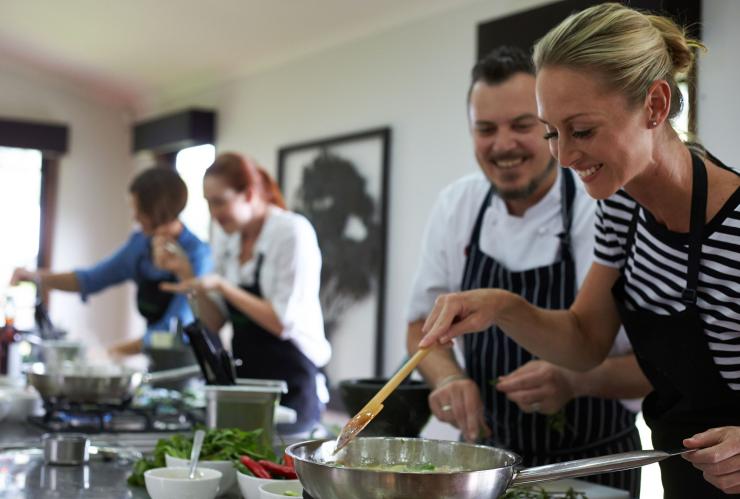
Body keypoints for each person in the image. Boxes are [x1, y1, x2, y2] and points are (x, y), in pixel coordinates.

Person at [419, 4, 740, 497]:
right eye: (552, 131)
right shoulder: (621, 207)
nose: (564, 157)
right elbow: (586, 340)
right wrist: (501, 306)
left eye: (583, 131)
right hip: (687, 473)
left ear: (655, 106)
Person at [406, 45, 650, 496]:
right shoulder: (457, 205)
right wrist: (449, 376)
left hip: (595, 464)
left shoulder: (604, 206)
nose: (503, 145)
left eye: (522, 126)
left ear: (552, 128)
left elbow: (658, 367)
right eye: (485, 129)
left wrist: (578, 379)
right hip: (484, 464)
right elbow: (421, 324)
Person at [161, 152, 331, 434]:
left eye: (220, 202)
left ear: (248, 194)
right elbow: (215, 322)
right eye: (208, 204)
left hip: (294, 378)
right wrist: (187, 274)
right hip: (249, 379)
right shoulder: (230, 239)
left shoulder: (291, 232)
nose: (214, 214)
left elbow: (281, 322)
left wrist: (223, 286)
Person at [10, 166, 211, 355]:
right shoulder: (140, 245)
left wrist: (106, 354)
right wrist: (34, 277)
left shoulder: (197, 255)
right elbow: (89, 279)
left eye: (139, 211)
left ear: (156, 211)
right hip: (155, 361)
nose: (134, 217)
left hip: (189, 362)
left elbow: (171, 331)